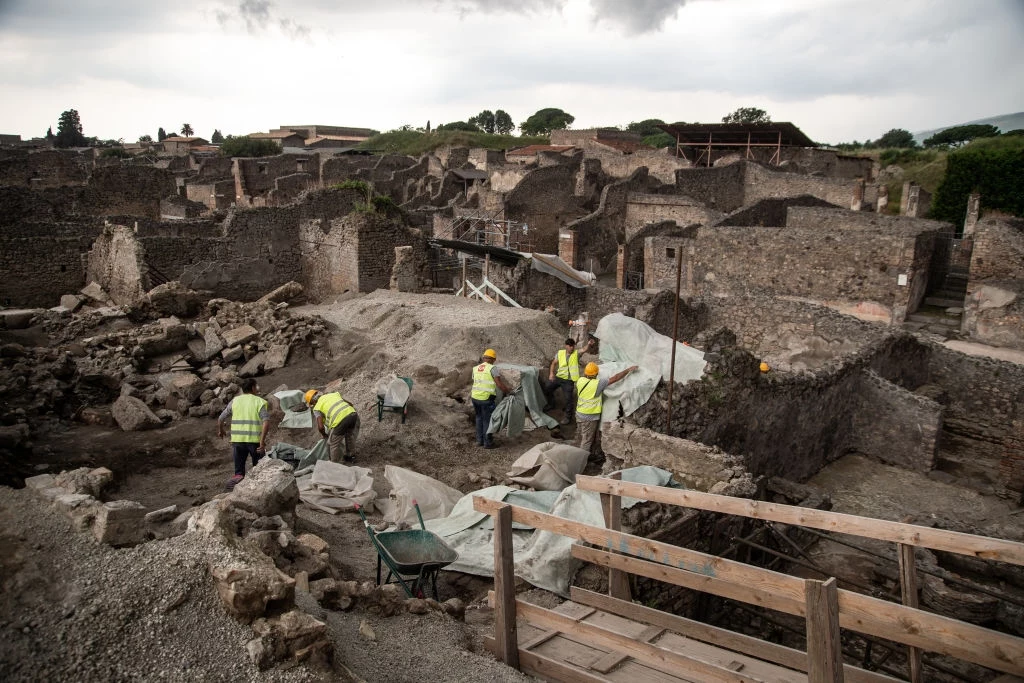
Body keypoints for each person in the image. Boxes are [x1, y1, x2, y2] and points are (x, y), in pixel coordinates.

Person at [575, 362, 638, 456]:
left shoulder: (580, 380)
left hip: (579, 414)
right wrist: (628, 370)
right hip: (589, 417)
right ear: (596, 374)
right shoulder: (597, 384)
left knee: (583, 436)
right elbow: (616, 378)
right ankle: (581, 460)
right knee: (587, 441)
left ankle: (585, 454)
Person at [217, 378, 270, 489]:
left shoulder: (235, 401)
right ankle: (258, 491)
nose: (257, 388)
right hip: (254, 441)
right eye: (256, 386)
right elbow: (266, 422)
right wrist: (262, 442)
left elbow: (221, 418)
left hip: (238, 441)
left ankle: (236, 490)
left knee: (239, 472)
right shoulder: (259, 401)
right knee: (260, 469)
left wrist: (221, 430)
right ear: (252, 388)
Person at [471, 348, 512, 449]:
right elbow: (499, 384)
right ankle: (488, 443)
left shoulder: (475, 368)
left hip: (475, 397)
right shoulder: (492, 368)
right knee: (487, 420)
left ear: (484, 358)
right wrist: (508, 391)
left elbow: (476, 381)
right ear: (492, 359)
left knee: (479, 418)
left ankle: (479, 440)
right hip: (486, 399)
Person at [305, 388, 360, 463]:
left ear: (313, 401)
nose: (313, 405)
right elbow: (350, 404)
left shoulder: (317, 407)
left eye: (312, 404)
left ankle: (333, 465)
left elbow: (321, 427)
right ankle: (351, 456)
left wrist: (324, 435)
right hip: (353, 415)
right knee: (349, 436)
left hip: (340, 420)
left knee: (332, 444)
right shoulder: (333, 394)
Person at [546, 338, 580, 426]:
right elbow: (553, 363)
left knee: (569, 398)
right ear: (566, 346)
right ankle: (551, 404)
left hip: (569, 380)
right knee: (548, 387)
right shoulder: (560, 353)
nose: (572, 348)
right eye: (570, 346)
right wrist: (551, 374)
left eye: (573, 346)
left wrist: (589, 344)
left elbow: (584, 350)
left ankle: (568, 416)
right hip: (559, 377)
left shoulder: (576, 354)